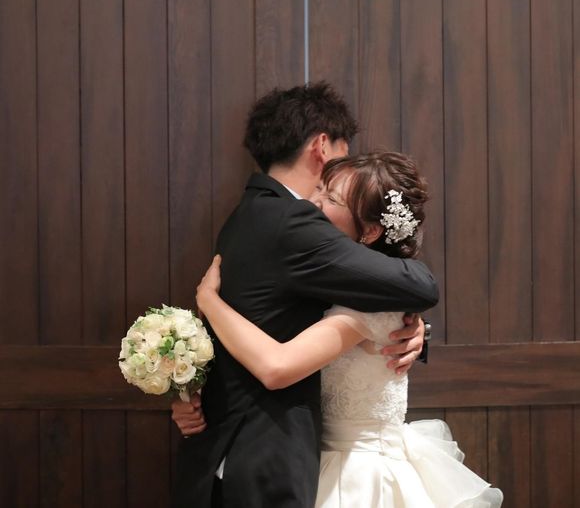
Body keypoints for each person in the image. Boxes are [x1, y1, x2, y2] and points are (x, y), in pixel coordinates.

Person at [171, 83, 439, 508]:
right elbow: (420, 286)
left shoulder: (247, 214)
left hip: (284, 459)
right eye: (343, 154)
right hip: (266, 460)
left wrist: (409, 326)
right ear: (322, 146)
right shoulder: (294, 222)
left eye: (332, 198)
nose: (321, 200)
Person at [195, 150, 503, 507]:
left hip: (359, 472)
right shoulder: (350, 289)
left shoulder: (366, 308)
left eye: (332, 199)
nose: (313, 203)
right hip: (320, 457)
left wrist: (209, 301)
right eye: (321, 189)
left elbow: (276, 367)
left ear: (370, 231)